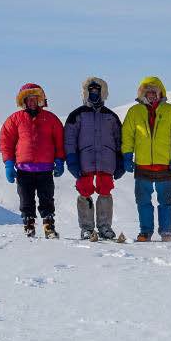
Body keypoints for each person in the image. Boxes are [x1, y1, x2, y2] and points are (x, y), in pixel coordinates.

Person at [121, 76, 171, 242]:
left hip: (165, 164)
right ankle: (145, 231)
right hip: (142, 165)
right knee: (143, 201)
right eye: (147, 92)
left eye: (154, 92)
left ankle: (166, 231)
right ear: (142, 93)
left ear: (160, 93)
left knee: (165, 201)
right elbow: (127, 135)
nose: (151, 95)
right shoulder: (134, 112)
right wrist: (127, 155)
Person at [0, 83, 65, 238]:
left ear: (40, 100)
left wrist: (60, 160)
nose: (32, 102)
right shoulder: (14, 120)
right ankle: (28, 223)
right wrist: (9, 163)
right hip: (24, 169)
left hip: (45, 169)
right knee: (26, 199)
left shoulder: (51, 119)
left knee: (47, 198)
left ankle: (48, 223)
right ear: (24, 101)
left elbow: (60, 141)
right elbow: (6, 141)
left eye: (35, 99)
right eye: (29, 99)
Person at [64, 77, 124, 240]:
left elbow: (119, 140)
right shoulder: (77, 115)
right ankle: (87, 228)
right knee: (84, 190)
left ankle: (105, 227)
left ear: (103, 93)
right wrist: (72, 160)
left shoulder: (111, 117)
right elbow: (69, 140)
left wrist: (121, 161)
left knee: (105, 189)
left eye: (98, 91)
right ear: (86, 93)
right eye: (91, 91)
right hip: (84, 161)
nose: (95, 94)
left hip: (107, 160)